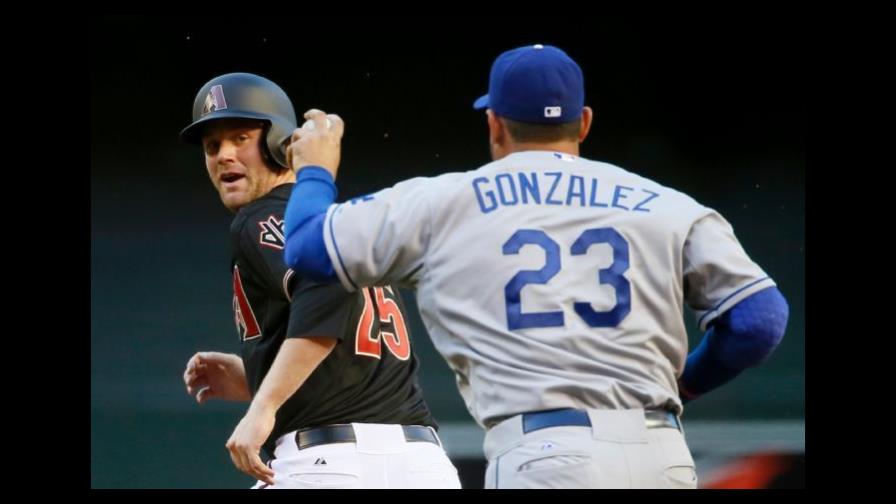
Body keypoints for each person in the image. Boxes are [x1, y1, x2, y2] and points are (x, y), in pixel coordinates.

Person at [281, 44, 789, 489]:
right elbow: (758, 321)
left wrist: (316, 170)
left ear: (494, 122)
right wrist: (687, 384)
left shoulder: (441, 203)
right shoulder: (667, 205)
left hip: (547, 454)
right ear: (583, 122)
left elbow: (306, 248)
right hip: (662, 453)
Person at [178, 72, 460, 489]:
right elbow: (345, 353)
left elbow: (326, 292)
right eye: (212, 146)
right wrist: (257, 375)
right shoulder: (341, 223)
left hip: (329, 462)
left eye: (240, 138)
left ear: (281, 143)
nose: (224, 155)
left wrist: (263, 407)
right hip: (423, 465)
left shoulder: (262, 219)